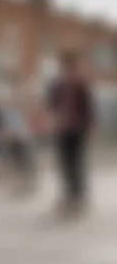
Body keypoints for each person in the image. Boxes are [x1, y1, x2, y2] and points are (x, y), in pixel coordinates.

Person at [48, 50, 94, 217]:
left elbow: (88, 109)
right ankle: (67, 195)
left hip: (78, 130)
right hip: (62, 129)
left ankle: (78, 197)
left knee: (77, 164)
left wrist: (89, 128)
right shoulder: (58, 85)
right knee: (64, 164)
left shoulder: (81, 85)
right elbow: (52, 105)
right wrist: (54, 120)